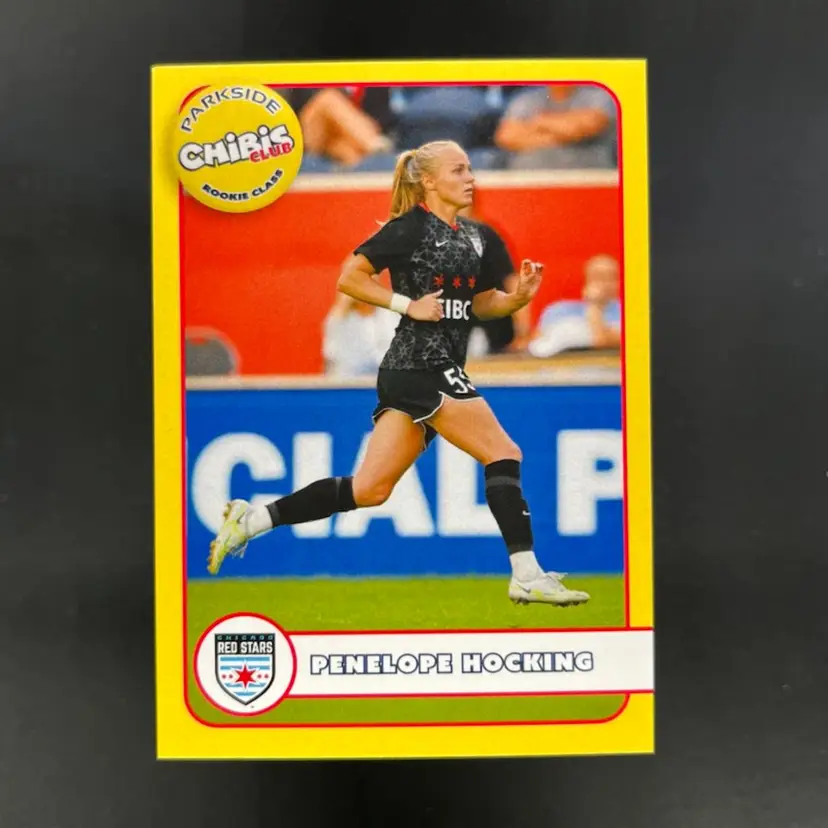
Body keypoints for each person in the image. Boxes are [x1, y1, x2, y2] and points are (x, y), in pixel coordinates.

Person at [206, 139, 590, 608]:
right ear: (428, 181)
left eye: (470, 168)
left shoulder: (474, 236)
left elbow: (476, 303)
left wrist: (516, 299)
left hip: (419, 369)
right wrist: (407, 305)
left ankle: (252, 520)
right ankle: (527, 574)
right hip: (421, 363)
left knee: (369, 490)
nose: (470, 177)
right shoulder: (409, 228)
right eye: (458, 170)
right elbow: (350, 278)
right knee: (504, 452)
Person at [494, 84, 617, 170]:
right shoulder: (526, 99)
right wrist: (563, 133)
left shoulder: (599, 94)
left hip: (587, 180)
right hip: (528, 181)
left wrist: (539, 122)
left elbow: (586, 126)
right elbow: (506, 137)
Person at [528, 254, 621, 358]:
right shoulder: (557, 310)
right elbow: (535, 348)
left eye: (611, 277)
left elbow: (602, 342)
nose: (604, 283)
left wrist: (595, 306)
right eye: (598, 277)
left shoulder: (626, 312)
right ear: (587, 279)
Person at [321, 291, 398, 377]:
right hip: (348, 381)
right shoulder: (340, 320)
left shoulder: (389, 317)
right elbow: (330, 358)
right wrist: (343, 305)